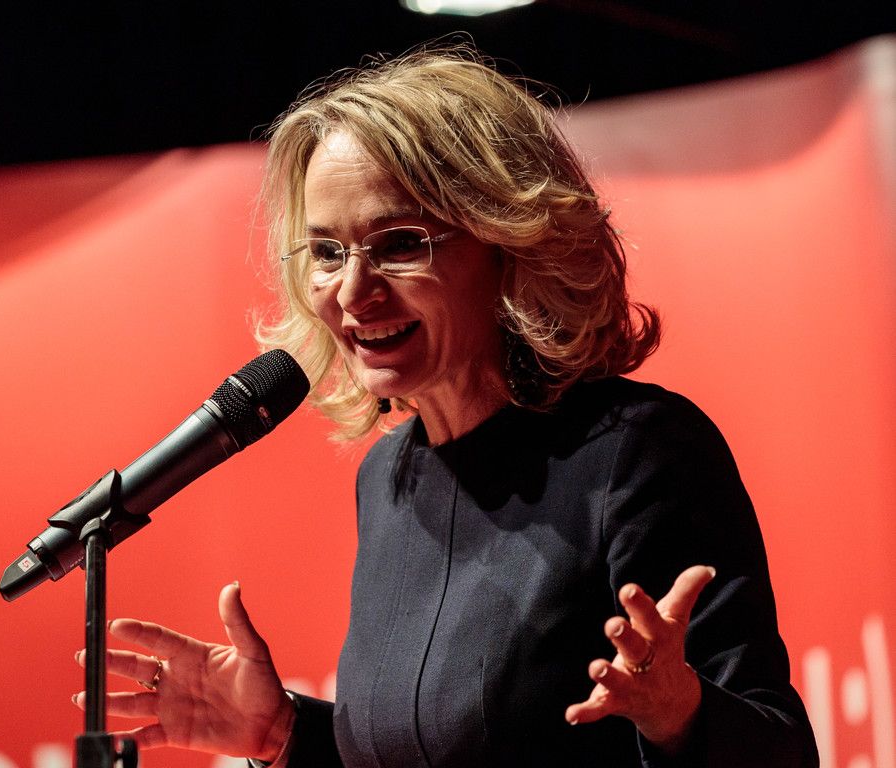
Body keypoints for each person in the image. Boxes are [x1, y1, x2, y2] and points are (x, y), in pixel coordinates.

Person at [73, 46, 819, 767]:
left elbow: (782, 749)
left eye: (399, 244)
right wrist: (287, 737)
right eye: (327, 252)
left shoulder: (638, 453)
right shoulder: (389, 479)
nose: (354, 291)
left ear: (509, 242)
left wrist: (681, 717)